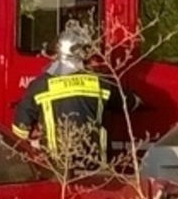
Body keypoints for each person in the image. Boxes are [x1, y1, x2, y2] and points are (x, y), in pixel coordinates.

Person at [11, 27, 113, 172]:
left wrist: (36, 134)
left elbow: (19, 129)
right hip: (94, 165)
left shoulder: (40, 85)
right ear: (81, 55)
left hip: (56, 167)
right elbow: (130, 102)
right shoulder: (99, 83)